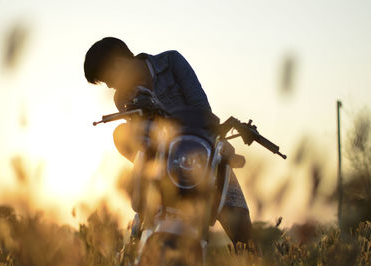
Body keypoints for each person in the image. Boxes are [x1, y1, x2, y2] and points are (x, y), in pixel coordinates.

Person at [84, 37, 253, 247]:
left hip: (203, 153)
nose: (109, 86)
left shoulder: (171, 62)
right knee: (121, 134)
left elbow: (201, 108)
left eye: (107, 79)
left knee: (245, 239)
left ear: (116, 63)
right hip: (166, 170)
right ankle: (151, 203)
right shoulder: (122, 97)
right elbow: (145, 138)